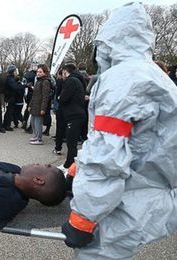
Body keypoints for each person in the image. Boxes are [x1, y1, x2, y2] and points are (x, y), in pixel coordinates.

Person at [61, 3, 177, 259]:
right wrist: (77, 168)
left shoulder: (121, 81)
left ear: (108, 42)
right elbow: (140, 140)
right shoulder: (155, 77)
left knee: (98, 253)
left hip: (131, 196)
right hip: (154, 188)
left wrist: (83, 217)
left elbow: (106, 157)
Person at [57, 64, 86, 170]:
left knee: (71, 143)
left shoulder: (71, 81)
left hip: (74, 115)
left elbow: (63, 98)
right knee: (71, 142)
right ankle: (70, 165)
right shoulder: (77, 80)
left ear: (65, 72)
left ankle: (69, 166)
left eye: (62, 73)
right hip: (77, 114)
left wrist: (60, 97)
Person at [28, 65, 51, 145]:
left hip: (39, 106)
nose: (38, 73)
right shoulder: (38, 81)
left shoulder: (45, 82)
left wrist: (43, 108)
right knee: (33, 122)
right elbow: (34, 95)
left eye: (40, 72)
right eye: (37, 72)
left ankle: (39, 138)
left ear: (44, 73)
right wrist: (30, 105)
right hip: (34, 105)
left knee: (38, 123)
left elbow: (45, 96)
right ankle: (36, 136)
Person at [3, 65, 25, 131]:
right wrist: (24, 86)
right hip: (10, 98)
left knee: (9, 112)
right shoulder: (10, 79)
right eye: (15, 71)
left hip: (10, 97)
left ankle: (5, 124)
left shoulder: (11, 78)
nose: (16, 72)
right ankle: (7, 126)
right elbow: (15, 87)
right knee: (9, 112)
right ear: (12, 71)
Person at [22, 62, 38, 133]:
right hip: (31, 93)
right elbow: (24, 83)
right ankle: (28, 124)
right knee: (31, 109)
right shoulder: (29, 74)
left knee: (30, 109)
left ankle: (27, 123)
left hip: (31, 94)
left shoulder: (30, 74)